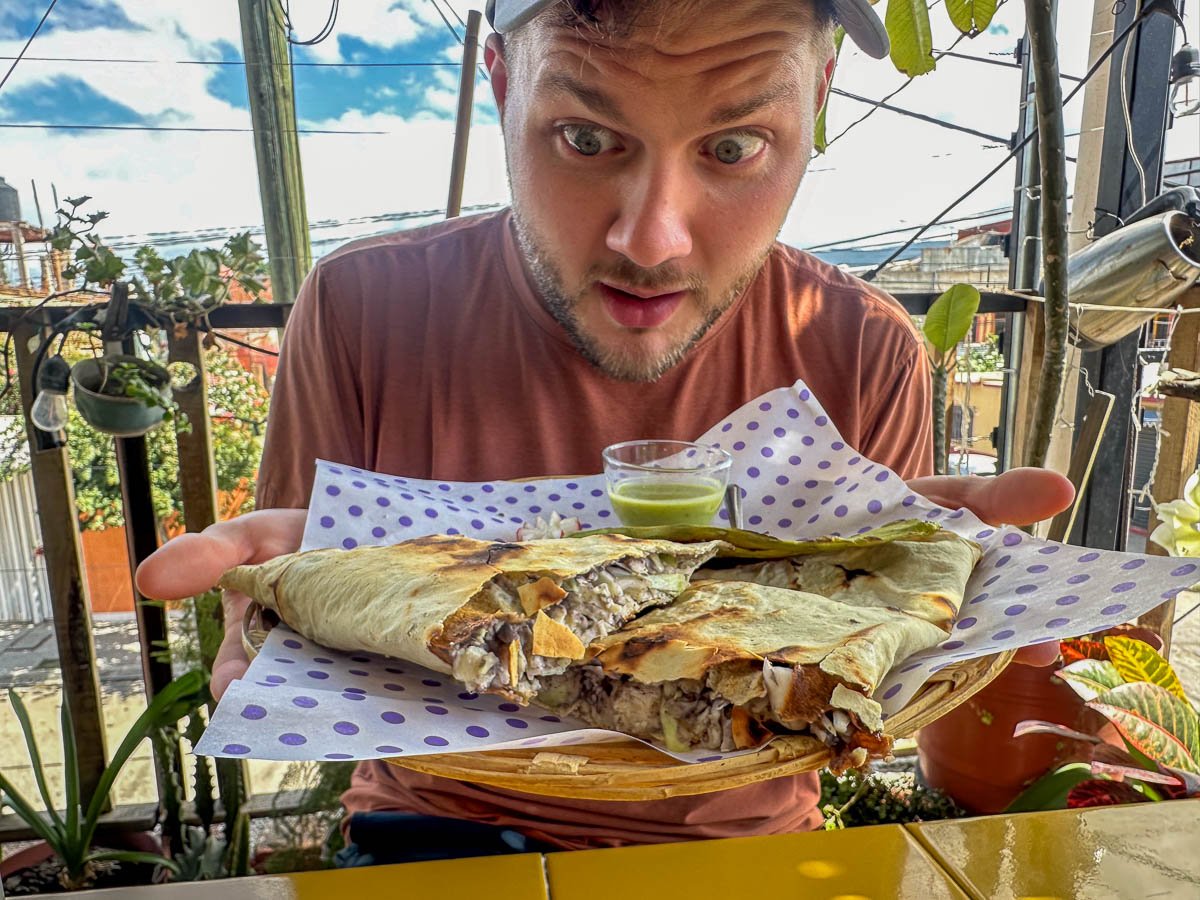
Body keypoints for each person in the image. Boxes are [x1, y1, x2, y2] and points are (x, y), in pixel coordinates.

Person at [137, 0, 1074, 865]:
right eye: (585, 138)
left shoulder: (863, 351)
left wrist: (946, 612)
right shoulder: (360, 312)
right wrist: (286, 608)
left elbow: (851, 668)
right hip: (431, 831)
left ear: (819, 98)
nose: (651, 241)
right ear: (502, 85)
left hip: (746, 851)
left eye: (736, 145)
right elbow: (306, 598)